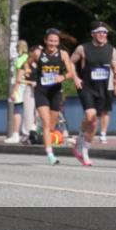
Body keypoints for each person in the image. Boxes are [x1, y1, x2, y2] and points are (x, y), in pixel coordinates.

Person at [71, 21, 116, 166]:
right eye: (99, 32)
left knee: (93, 122)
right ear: (93, 33)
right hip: (86, 86)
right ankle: (84, 152)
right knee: (90, 115)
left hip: (103, 89)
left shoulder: (111, 50)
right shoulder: (83, 48)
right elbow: (70, 62)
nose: (102, 34)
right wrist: (75, 77)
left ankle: (82, 144)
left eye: (105, 32)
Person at [30, 28, 79, 165]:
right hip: (41, 91)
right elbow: (26, 65)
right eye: (50, 40)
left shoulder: (63, 54)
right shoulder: (38, 53)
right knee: (45, 122)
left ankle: (44, 135)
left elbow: (70, 73)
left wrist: (62, 77)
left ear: (58, 42)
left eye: (55, 41)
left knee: (51, 126)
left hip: (56, 92)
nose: (52, 43)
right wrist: (27, 74)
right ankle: (50, 154)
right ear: (45, 40)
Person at [6, 39, 34, 144]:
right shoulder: (29, 58)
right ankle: (28, 133)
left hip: (21, 86)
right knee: (29, 112)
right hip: (29, 86)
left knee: (17, 110)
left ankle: (15, 134)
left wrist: (14, 91)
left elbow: (19, 76)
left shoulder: (20, 60)